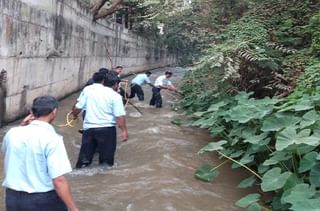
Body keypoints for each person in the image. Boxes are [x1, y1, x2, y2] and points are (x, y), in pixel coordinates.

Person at [2, 96, 79, 211]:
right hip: (42, 200)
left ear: (31, 112)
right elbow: (59, 180)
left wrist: (22, 126)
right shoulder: (52, 139)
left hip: (13, 199)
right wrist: (74, 209)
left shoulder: (12, 133)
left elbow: (6, 152)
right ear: (54, 112)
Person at [71, 71, 128, 168]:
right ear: (115, 84)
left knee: (84, 159)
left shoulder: (90, 92)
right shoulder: (116, 96)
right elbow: (119, 116)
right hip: (107, 130)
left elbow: (77, 108)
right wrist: (124, 131)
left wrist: (75, 115)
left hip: (88, 129)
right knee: (106, 161)